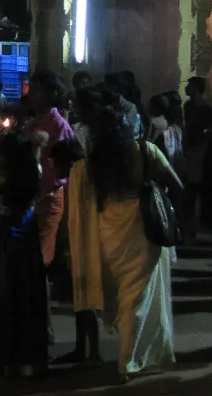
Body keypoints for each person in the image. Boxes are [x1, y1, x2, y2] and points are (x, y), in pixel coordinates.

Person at [60, 96, 180, 378]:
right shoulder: (145, 150)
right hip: (141, 232)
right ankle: (127, 360)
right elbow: (177, 183)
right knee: (137, 297)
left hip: (106, 235)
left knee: (120, 292)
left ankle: (126, 359)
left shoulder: (88, 166)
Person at [0, 133, 53, 377]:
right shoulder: (31, 174)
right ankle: (27, 362)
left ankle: (1, 357)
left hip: (8, 245)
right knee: (27, 300)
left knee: (3, 298)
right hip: (27, 244)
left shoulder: (8, 179)